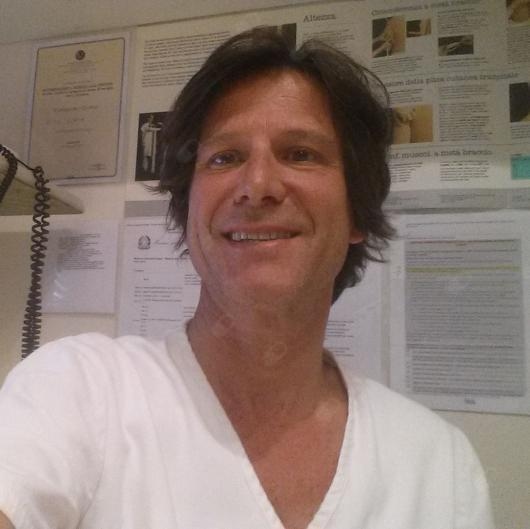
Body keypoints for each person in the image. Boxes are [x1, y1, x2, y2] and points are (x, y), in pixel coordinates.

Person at [0, 27, 494, 529]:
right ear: (188, 212)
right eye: (225, 157)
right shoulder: (77, 389)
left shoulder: (440, 466)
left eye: (300, 153)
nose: (257, 186)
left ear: (357, 214)